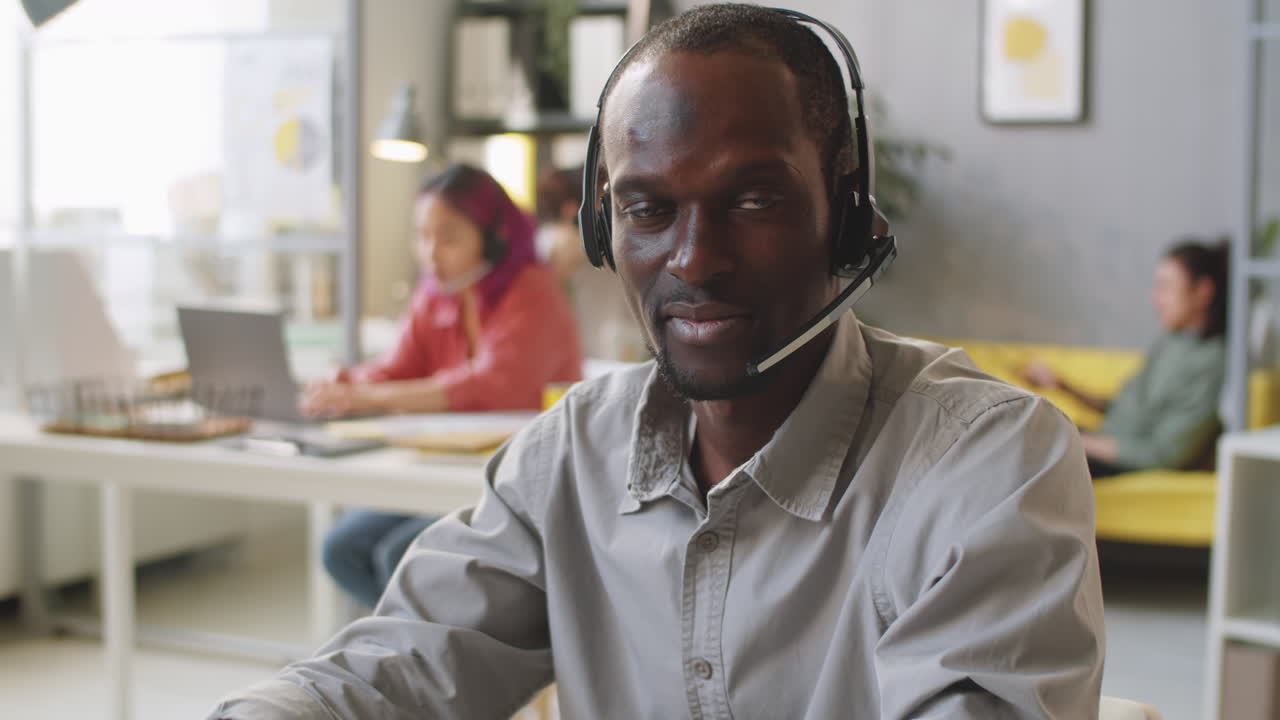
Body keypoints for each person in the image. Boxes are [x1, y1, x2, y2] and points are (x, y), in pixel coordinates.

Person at [211, 6, 1103, 718]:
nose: (694, 260)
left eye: (752, 199)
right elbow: (395, 666)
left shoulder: (986, 463)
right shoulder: (571, 454)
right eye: (647, 210)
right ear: (603, 228)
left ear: (846, 208)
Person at [303, 164, 584, 609]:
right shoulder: (437, 293)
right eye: (422, 235)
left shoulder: (534, 290)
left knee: (401, 554)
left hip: (518, 483)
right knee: (342, 549)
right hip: (443, 470)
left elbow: (493, 385)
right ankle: (416, 660)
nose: (430, 253)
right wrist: (345, 384)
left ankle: (431, 661)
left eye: (448, 237)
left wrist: (368, 396)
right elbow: (398, 368)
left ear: (494, 237)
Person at [1026, 240, 1228, 478]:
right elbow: (1124, 409)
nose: (1156, 300)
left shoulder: (1211, 363)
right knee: (1019, 430)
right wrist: (1061, 385)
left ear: (1203, 291)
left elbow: (1163, 453)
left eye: (1166, 288)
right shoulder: (1170, 342)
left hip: (1119, 462)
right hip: (1100, 442)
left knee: (1029, 449)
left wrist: (1077, 441)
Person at [535, 164, 647, 361]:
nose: (615, 215)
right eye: (605, 203)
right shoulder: (544, 250)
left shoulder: (610, 259)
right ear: (573, 212)